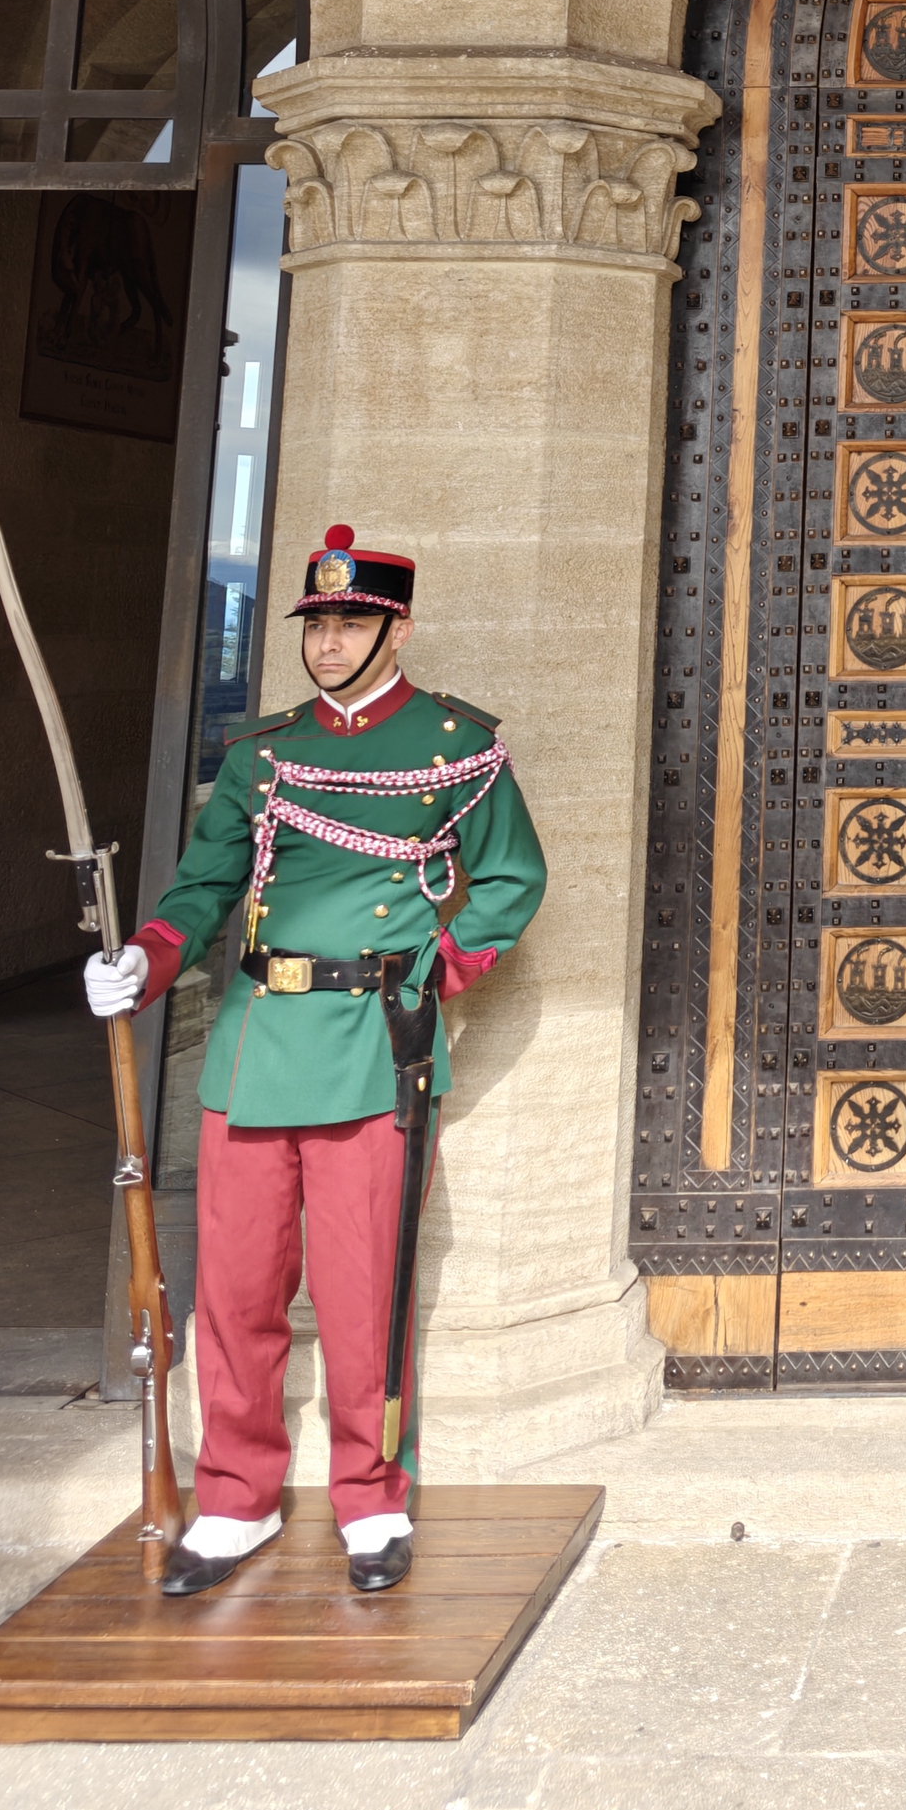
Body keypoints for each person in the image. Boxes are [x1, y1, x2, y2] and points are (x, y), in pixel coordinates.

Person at [84, 525, 545, 1598]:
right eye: (318, 623)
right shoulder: (262, 755)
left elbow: (513, 877)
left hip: (375, 1045)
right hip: (255, 1037)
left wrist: (444, 963)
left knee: (361, 1291)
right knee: (236, 1289)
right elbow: (202, 890)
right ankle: (235, 1498)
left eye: (350, 621)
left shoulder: (454, 744)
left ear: (397, 626)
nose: (329, 641)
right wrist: (145, 960)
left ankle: (372, 1493)